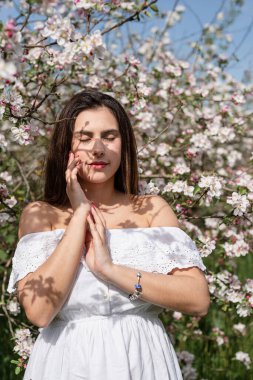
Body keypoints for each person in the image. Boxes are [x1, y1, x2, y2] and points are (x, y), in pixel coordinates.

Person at [7, 89, 210, 380]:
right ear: (67, 146)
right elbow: (39, 312)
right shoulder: (41, 215)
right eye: (85, 137)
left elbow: (198, 298)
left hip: (142, 357)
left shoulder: (151, 209)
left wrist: (109, 269)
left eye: (110, 136)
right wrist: (79, 216)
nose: (98, 149)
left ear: (123, 145)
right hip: (67, 361)